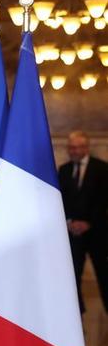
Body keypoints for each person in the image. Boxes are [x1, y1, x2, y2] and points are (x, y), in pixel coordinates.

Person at [58, 130, 108, 314]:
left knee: (104, 275)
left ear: (86, 147)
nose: (74, 151)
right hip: (72, 234)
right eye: (71, 147)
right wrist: (70, 221)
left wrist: (88, 222)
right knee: (72, 276)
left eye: (77, 147)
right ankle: (77, 315)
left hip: (97, 233)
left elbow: (103, 200)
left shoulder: (102, 169)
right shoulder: (63, 170)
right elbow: (61, 199)